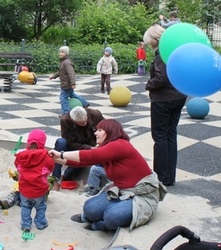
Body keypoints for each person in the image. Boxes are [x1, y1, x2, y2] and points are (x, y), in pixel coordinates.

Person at [48, 119, 167, 232]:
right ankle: (99, 217)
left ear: (110, 131)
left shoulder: (120, 144)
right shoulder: (107, 149)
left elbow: (92, 155)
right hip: (121, 191)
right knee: (90, 209)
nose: (95, 133)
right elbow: (83, 162)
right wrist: (56, 160)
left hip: (141, 194)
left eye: (100, 130)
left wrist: (61, 154)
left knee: (112, 216)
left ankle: (101, 225)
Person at [143, 24, 187, 186]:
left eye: (148, 42)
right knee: (170, 135)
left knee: (160, 137)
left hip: (163, 99)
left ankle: (161, 177)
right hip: (178, 96)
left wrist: (149, 84)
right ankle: (169, 176)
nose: (148, 45)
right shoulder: (173, 51)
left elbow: (161, 78)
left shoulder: (162, 53)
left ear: (154, 40)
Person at [52, 106, 104, 191]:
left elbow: (106, 131)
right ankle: (55, 179)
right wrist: (90, 148)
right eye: (81, 123)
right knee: (60, 142)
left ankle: (66, 175)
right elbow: (70, 143)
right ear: (73, 120)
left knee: (83, 154)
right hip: (75, 145)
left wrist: (99, 144)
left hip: (93, 144)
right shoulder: (65, 121)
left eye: (86, 121)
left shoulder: (95, 115)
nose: (85, 124)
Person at [15, 129, 54, 232]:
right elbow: (50, 168)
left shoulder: (22, 155)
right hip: (39, 190)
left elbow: (18, 167)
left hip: (25, 190)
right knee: (40, 207)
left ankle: (26, 225)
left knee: (25, 207)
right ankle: (40, 223)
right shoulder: (45, 156)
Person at [49, 46, 90, 117]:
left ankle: (65, 113)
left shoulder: (67, 62)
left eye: (63, 52)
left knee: (63, 98)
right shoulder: (63, 62)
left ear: (66, 53)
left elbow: (71, 73)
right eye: (60, 51)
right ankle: (85, 103)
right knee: (72, 95)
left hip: (67, 84)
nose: (60, 53)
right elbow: (60, 72)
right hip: (65, 83)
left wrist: (73, 83)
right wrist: (54, 76)